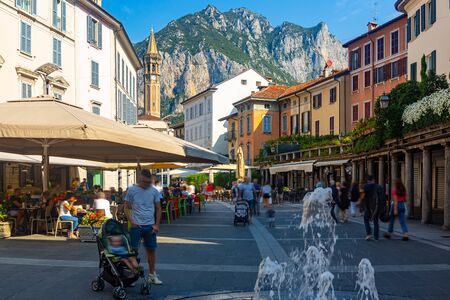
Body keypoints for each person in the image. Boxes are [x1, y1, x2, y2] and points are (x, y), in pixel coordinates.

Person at [124, 169, 163, 285]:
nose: (147, 184)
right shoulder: (132, 190)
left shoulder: (154, 191)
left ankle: (152, 274)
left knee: (151, 250)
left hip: (150, 226)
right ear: (140, 179)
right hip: (136, 226)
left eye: (148, 182)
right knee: (133, 251)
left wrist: (156, 225)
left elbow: (158, 208)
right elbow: (126, 207)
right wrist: (131, 221)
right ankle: (133, 275)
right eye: (144, 182)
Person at [360, 175, 383, 241]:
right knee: (376, 221)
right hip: (376, 206)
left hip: (368, 206)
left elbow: (362, 195)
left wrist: (360, 202)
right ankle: (376, 237)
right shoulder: (379, 187)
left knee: (366, 219)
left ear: (368, 180)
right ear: (373, 180)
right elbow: (381, 198)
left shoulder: (366, 186)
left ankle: (369, 233)